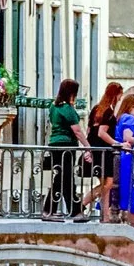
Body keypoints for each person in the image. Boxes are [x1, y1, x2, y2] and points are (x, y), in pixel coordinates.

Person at [81, 81, 125, 215]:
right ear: (116, 95)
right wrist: (117, 143)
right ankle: (81, 204)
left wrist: (88, 148)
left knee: (106, 184)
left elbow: (89, 130)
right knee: (107, 184)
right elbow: (102, 132)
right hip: (103, 151)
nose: (120, 98)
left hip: (96, 149)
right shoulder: (109, 112)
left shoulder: (96, 108)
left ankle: (105, 216)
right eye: (120, 95)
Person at [45, 78, 82, 216]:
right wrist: (88, 146)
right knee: (64, 178)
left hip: (54, 144)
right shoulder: (66, 108)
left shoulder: (54, 106)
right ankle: (54, 209)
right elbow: (77, 131)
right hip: (66, 145)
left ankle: (72, 210)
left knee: (63, 178)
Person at [112, 89, 134, 217]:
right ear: (132, 106)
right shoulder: (129, 118)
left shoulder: (121, 117)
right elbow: (127, 137)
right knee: (129, 186)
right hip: (127, 157)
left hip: (120, 155)